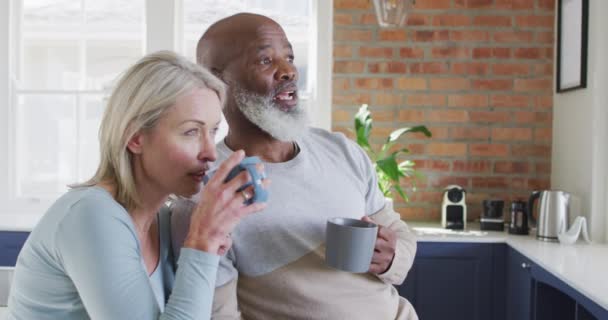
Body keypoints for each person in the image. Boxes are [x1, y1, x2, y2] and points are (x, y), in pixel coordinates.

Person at [171, 13, 418, 319]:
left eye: (289, 56)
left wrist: (392, 256)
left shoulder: (340, 150)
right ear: (217, 81)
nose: (288, 71)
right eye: (265, 60)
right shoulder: (208, 192)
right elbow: (219, 313)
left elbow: (398, 233)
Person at [7, 51, 268, 319]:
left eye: (213, 132)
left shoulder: (164, 221)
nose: (211, 152)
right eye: (191, 132)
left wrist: (208, 245)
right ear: (135, 138)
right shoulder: (90, 215)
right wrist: (202, 242)